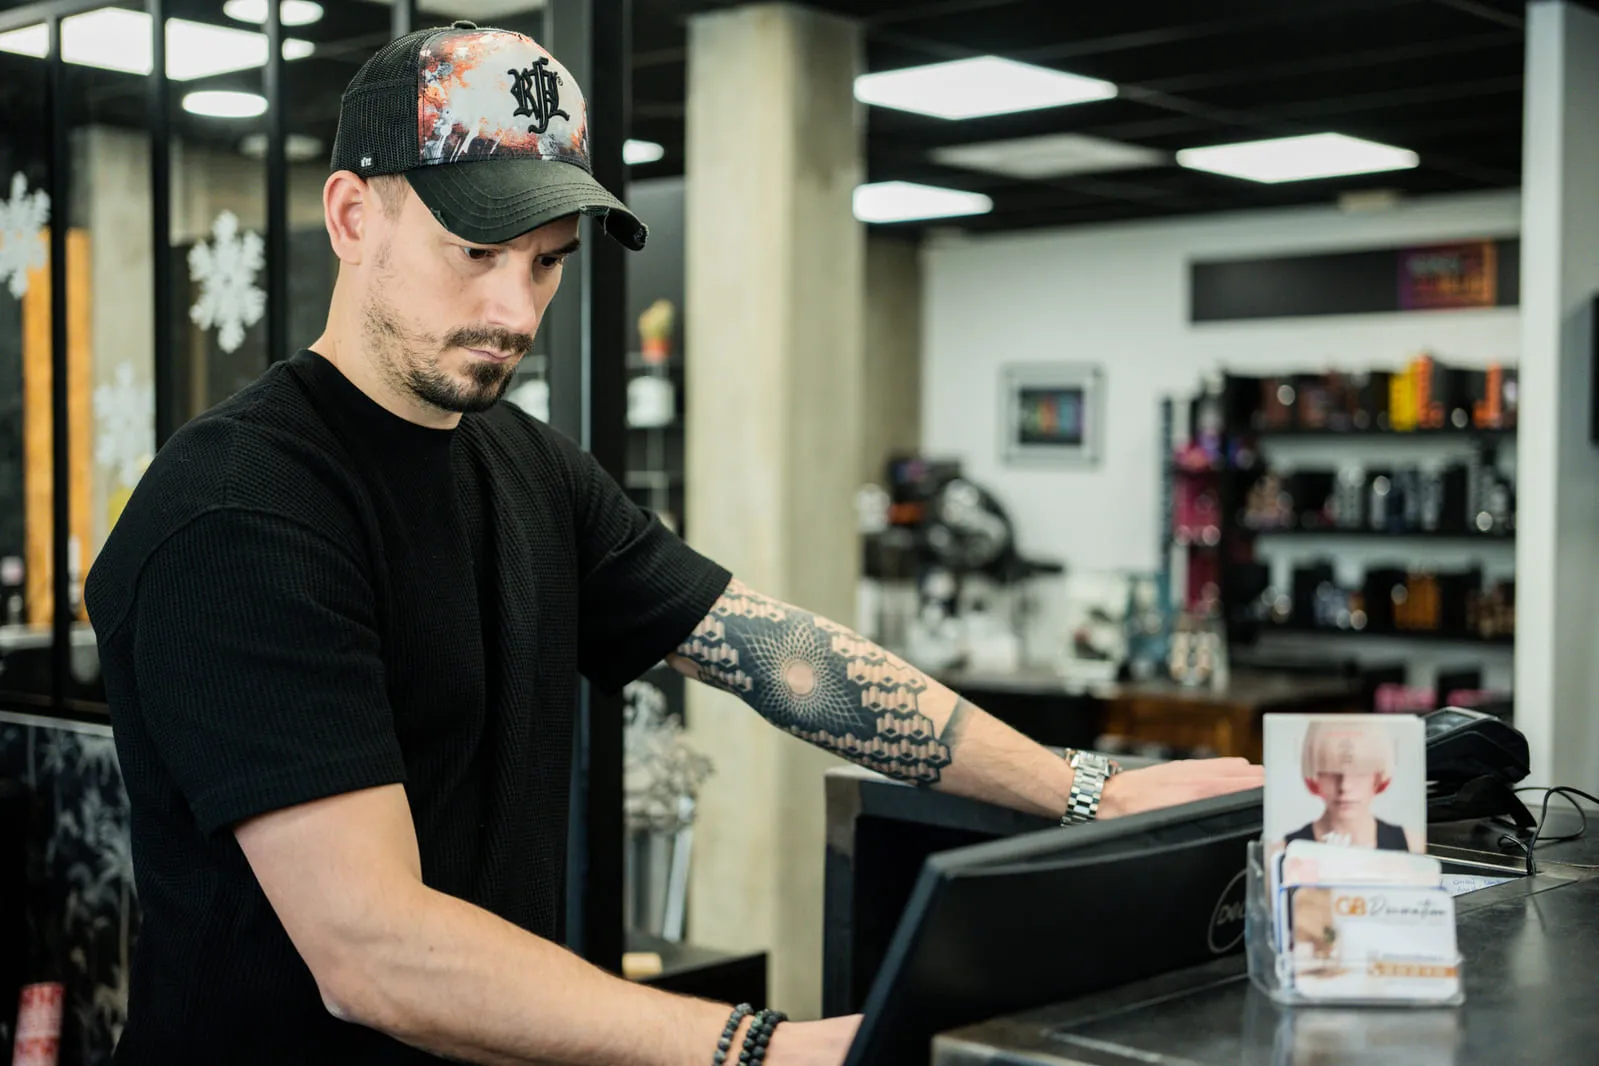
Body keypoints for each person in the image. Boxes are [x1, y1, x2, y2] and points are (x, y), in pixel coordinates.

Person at [84, 22, 1263, 1066]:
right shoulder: (239, 513)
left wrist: (1090, 790)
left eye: (546, 264)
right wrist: (765, 1046)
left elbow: (776, 653)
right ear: (354, 214)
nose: (515, 312)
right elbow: (375, 951)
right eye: (477, 253)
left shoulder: (526, 468)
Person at [1285, 721, 1416, 852]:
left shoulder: (1412, 843)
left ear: (1377, 776)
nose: (1345, 786)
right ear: (1315, 775)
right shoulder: (1283, 850)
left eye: (1360, 771)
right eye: (1331, 771)